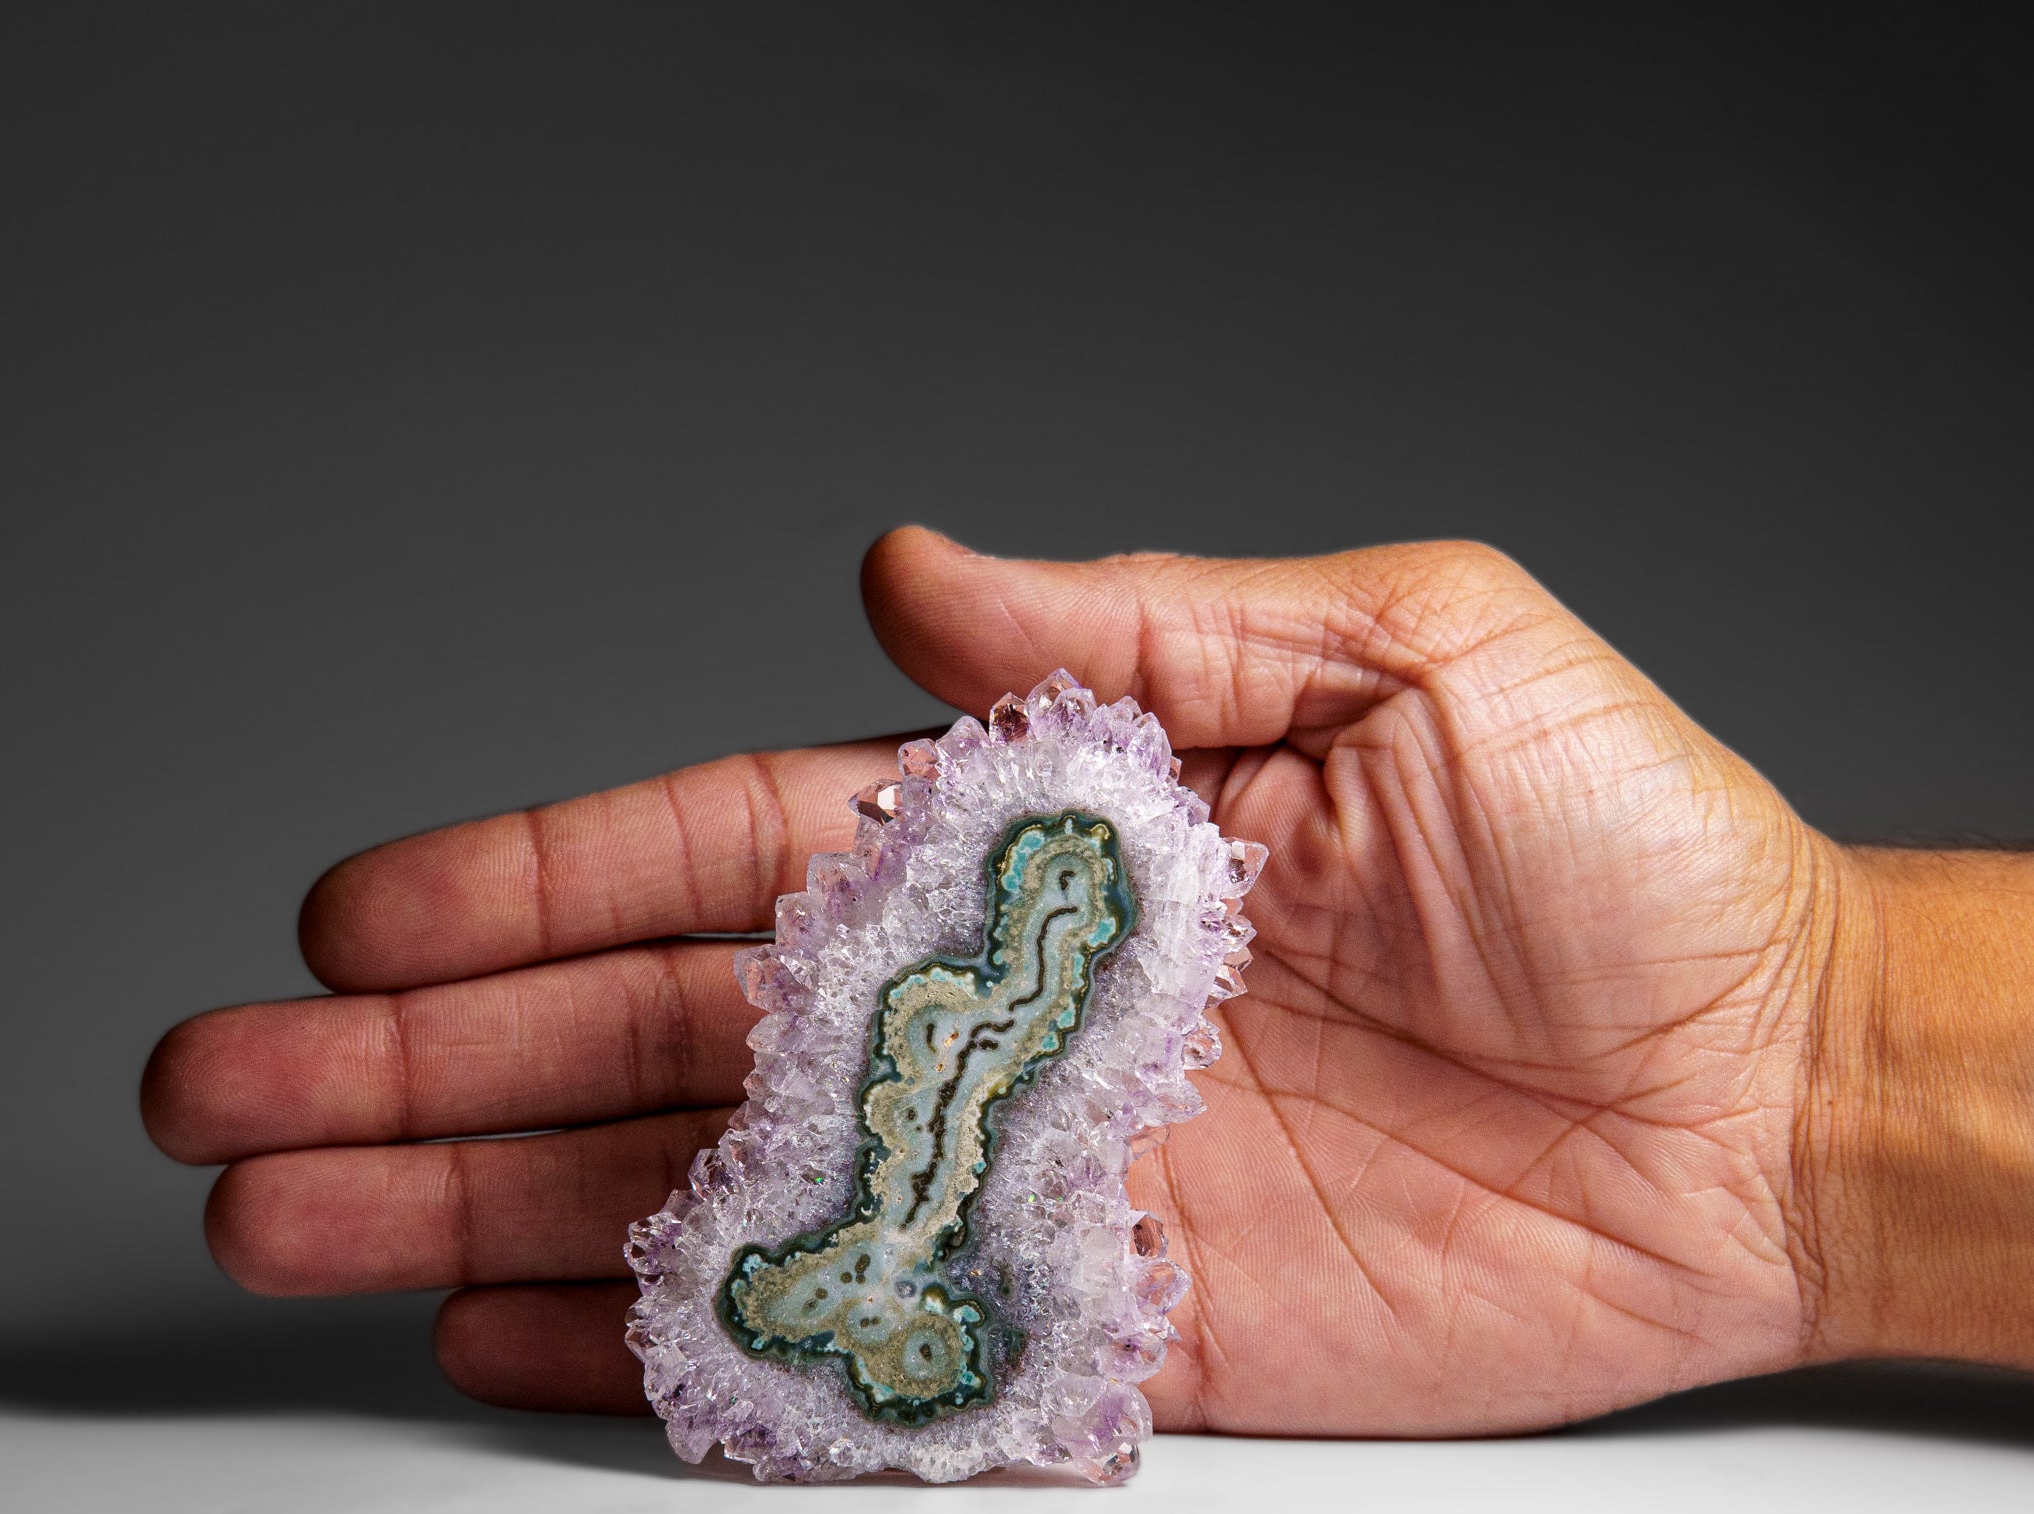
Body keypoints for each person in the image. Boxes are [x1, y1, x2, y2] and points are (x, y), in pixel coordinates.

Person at [140, 530, 2034, 1435]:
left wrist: (1805, 1046)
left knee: (952, 1080)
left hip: (943, 1196)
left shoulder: (1081, 902)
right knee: (929, 1097)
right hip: (903, 1214)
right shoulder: (975, 1006)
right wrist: (1810, 1072)